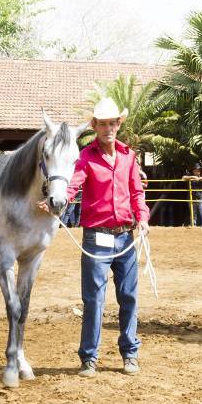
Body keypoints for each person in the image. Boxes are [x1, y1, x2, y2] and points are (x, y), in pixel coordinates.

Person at [42, 97, 150, 377]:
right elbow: (72, 186)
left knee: (129, 297)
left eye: (112, 123)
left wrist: (144, 218)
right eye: (102, 124)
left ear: (118, 125)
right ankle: (89, 357)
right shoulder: (86, 157)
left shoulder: (129, 156)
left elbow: (137, 192)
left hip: (126, 238)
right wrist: (57, 201)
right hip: (96, 238)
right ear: (95, 127)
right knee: (94, 301)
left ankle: (130, 353)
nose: (108, 129)